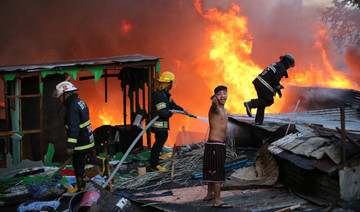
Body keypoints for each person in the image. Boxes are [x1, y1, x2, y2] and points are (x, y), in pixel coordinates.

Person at [54, 81, 107, 193]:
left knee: (78, 166)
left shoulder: (72, 107)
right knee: (83, 160)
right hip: (87, 139)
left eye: (60, 97)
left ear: (66, 94)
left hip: (80, 142)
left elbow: (74, 128)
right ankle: (100, 162)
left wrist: (70, 146)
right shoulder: (79, 102)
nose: (60, 99)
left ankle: (81, 188)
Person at [150, 71, 188, 172]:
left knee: (160, 142)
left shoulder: (165, 94)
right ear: (168, 83)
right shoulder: (160, 96)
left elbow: (173, 105)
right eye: (171, 83)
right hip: (159, 125)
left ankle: (155, 160)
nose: (172, 85)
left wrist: (182, 110)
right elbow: (162, 112)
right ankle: (154, 165)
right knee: (158, 143)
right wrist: (172, 112)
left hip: (162, 125)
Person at [244, 54, 295, 125]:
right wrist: (279, 87)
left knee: (262, 101)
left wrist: (278, 91)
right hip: (263, 83)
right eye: (290, 65)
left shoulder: (277, 64)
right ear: (287, 63)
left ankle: (258, 121)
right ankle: (250, 104)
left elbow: (273, 79)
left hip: (258, 82)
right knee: (269, 101)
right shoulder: (282, 68)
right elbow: (275, 80)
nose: (289, 67)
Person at [203, 85, 232, 208]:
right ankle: (217, 200)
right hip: (215, 145)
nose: (223, 96)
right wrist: (214, 99)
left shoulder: (224, 110)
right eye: (220, 94)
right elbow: (214, 103)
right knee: (217, 172)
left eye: (225, 93)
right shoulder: (214, 109)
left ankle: (209, 194)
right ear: (215, 96)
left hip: (218, 145)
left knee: (212, 171)